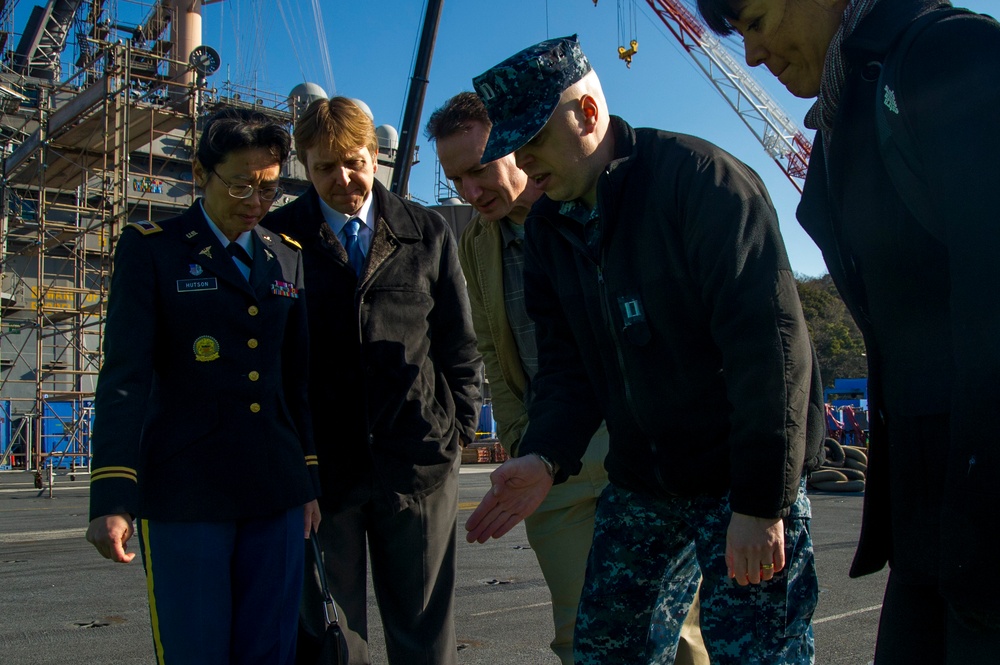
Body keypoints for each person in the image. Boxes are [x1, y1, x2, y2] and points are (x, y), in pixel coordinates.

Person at [463, 36, 826, 664]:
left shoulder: (701, 183)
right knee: (607, 649)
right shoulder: (550, 226)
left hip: (739, 479)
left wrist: (761, 502)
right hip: (644, 483)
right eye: (512, 148)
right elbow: (567, 366)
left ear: (587, 114)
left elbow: (769, 351)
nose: (523, 162)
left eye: (532, 141)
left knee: (762, 652)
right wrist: (547, 454)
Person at [695, 0, 1000, 661]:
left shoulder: (946, 59)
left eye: (753, 20)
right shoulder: (846, 111)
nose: (750, 54)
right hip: (930, 528)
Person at [425, 91, 709, 665]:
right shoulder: (478, 243)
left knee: (675, 630)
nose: (470, 193)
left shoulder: (601, 202)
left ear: (518, 146)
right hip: (553, 459)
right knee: (581, 635)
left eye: (478, 171)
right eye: (457, 180)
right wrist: (524, 437)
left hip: (640, 442)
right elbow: (488, 348)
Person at [86, 107, 321, 664]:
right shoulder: (153, 248)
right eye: (241, 184)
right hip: (187, 491)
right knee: (197, 648)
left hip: (277, 489)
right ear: (200, 172)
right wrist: (113, 496)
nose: (256, 202)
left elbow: (295, 380)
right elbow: (125, 378)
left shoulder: (285, 256)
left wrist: (308, 479)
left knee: (271, 650)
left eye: (268, 188)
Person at [263, 97, 482, 665]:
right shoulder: (276, 242)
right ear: (303, 168)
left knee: (425, 633)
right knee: (332, 638)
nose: (343, 179)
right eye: (324, 168)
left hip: (417, 461)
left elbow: (459, 344)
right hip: (321, 474)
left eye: (355, 162)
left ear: (376, 156)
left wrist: (454, 429)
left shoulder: (427, 232)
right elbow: (268, 362)